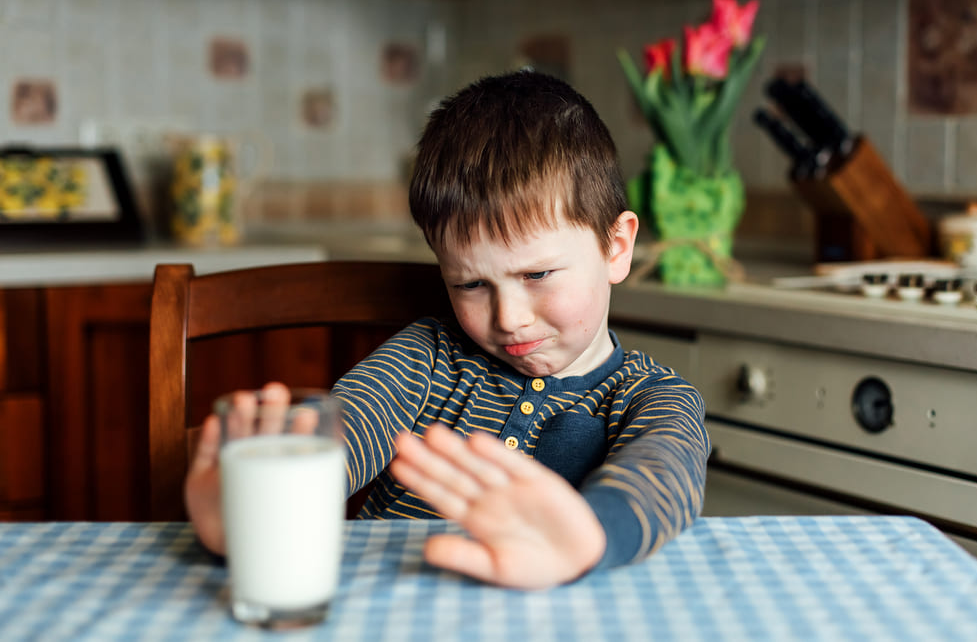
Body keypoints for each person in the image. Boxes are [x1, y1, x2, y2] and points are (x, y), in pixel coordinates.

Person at [185, 70, 710, 590]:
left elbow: (663, 477)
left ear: (615, 247)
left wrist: (590, 537)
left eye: (537, 274)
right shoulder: (426, 357)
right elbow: (346, 426)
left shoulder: (654, 397)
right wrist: (263, 507)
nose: (508, 318)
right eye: (471, 284)